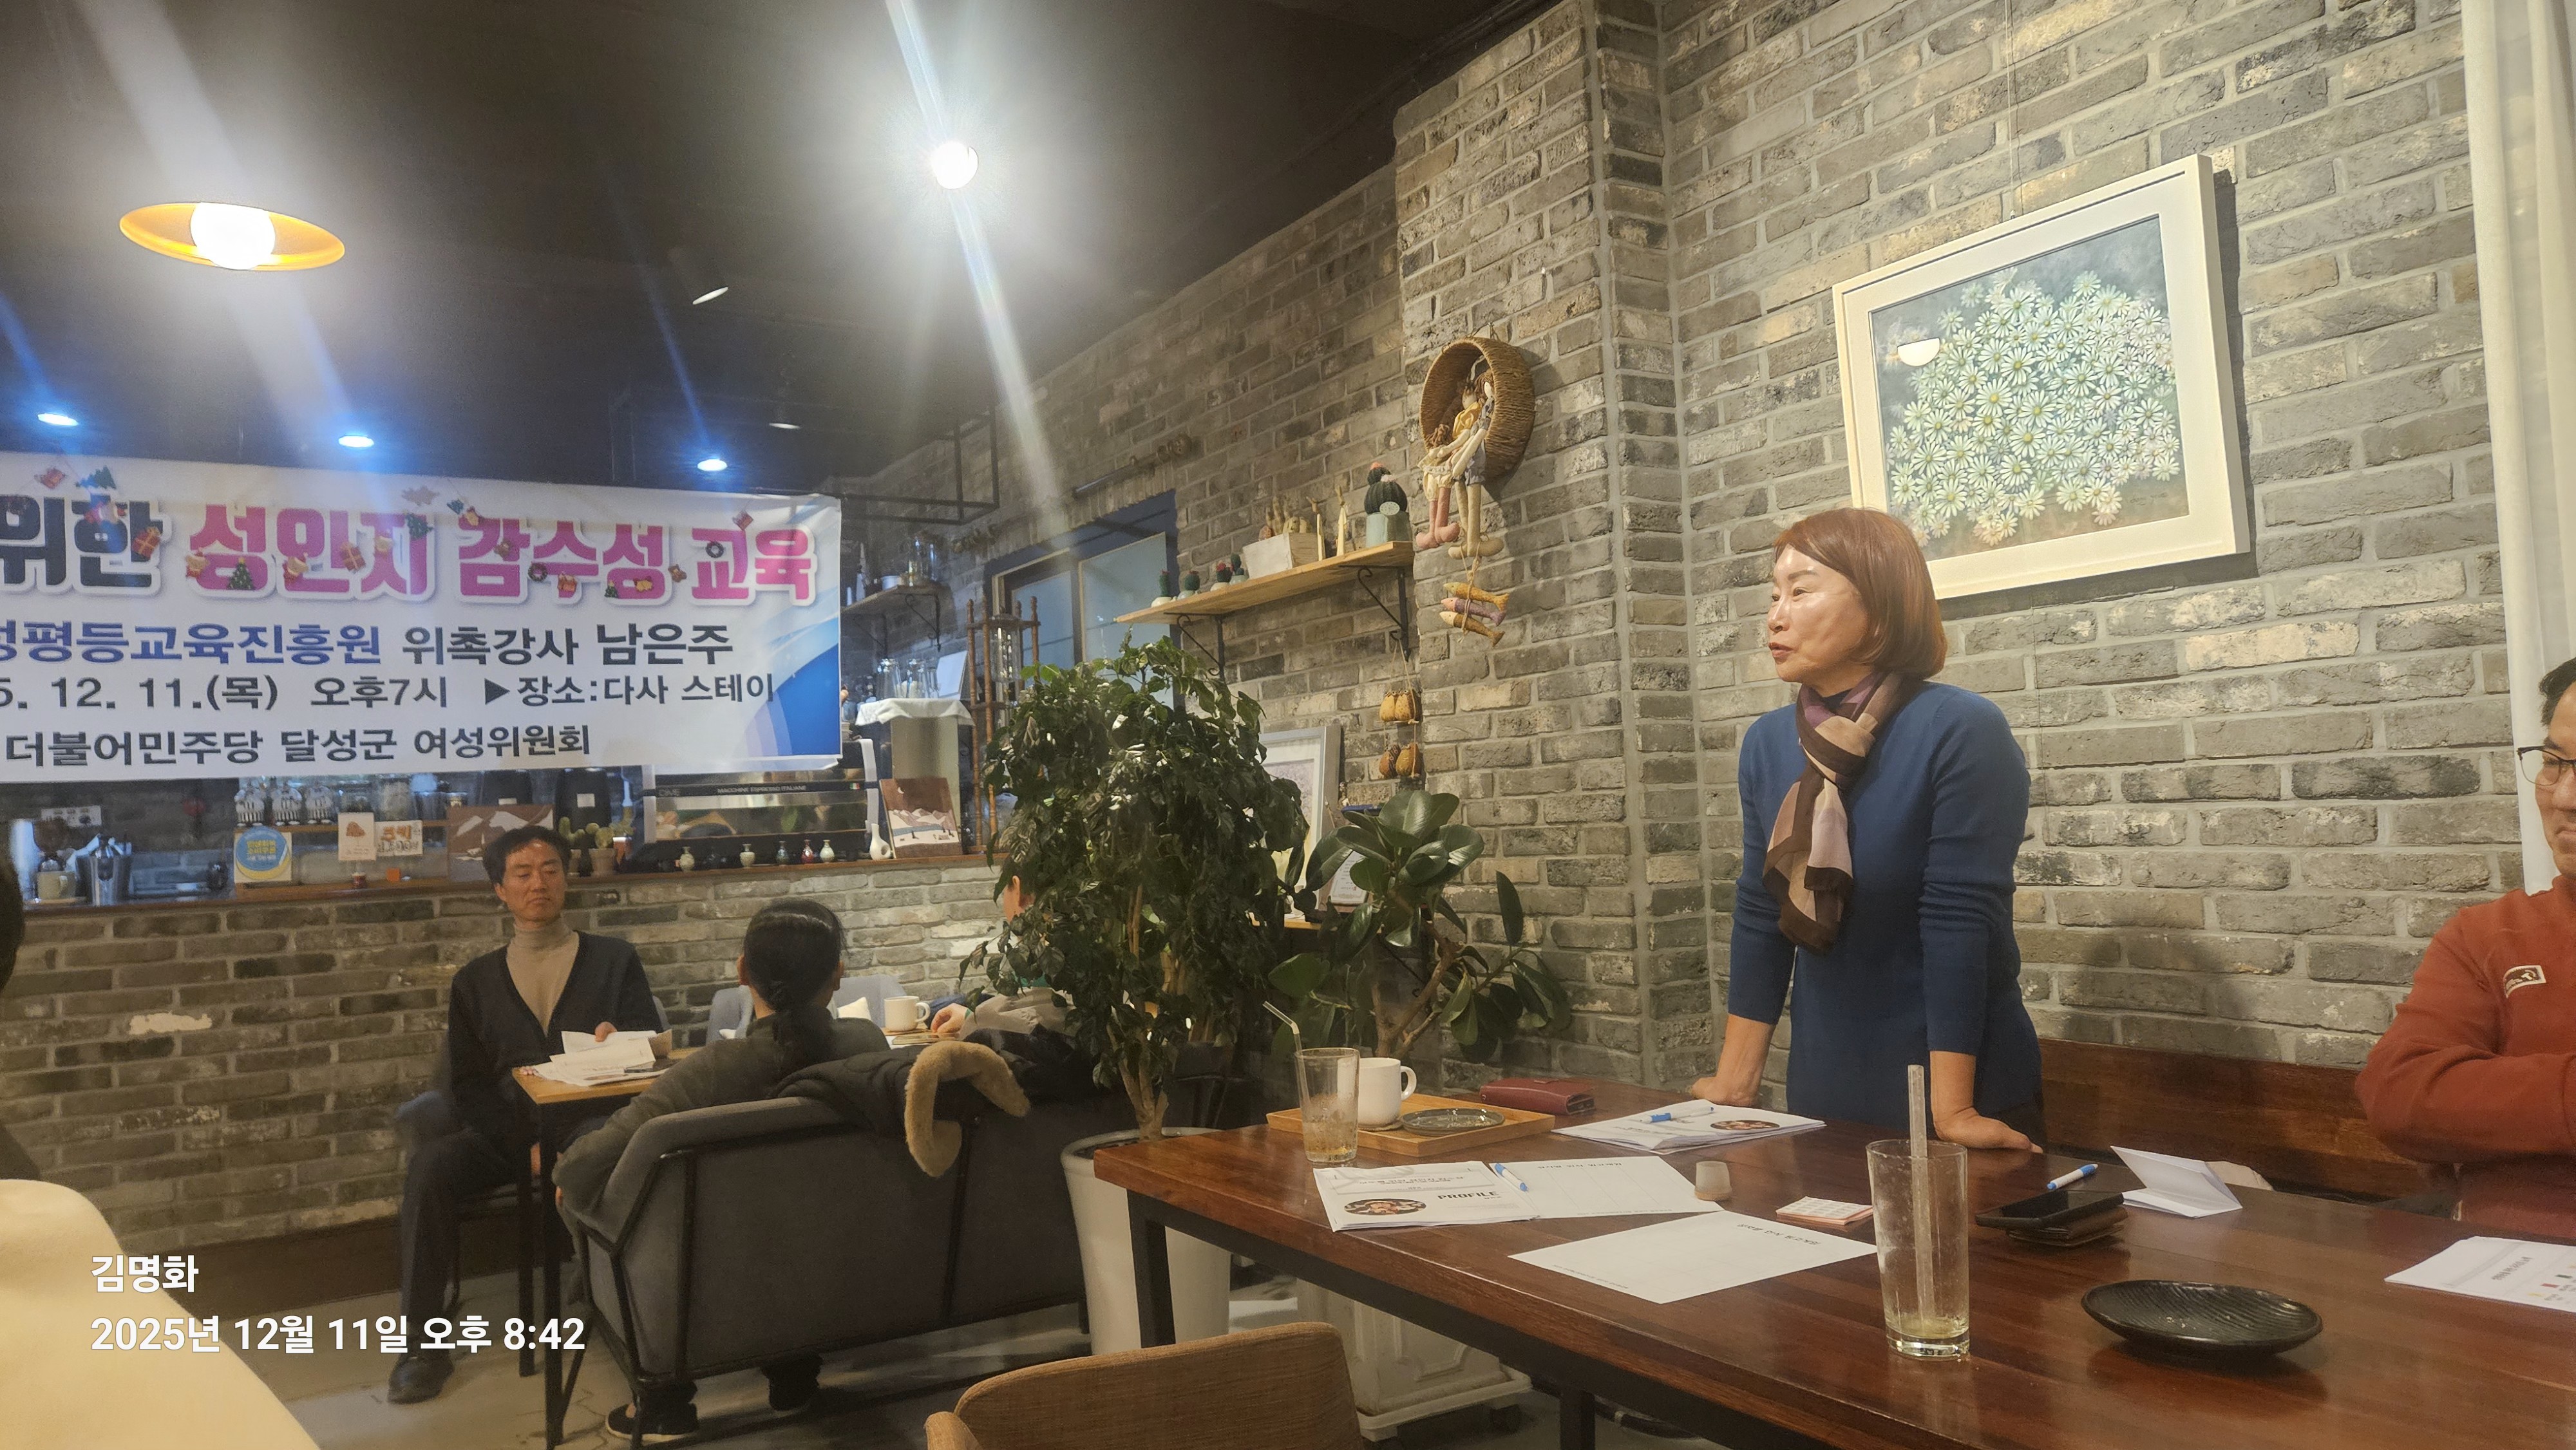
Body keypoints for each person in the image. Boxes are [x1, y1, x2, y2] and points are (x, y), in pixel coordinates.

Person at [1692, 508, 2043, 1149]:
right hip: (1826, 1081)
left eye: (1801, 591)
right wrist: (1734, 1080)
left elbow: (1958, 920)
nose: (1775, 617)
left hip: (1960, 1086)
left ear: (1879, 611)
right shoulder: (1768, 743)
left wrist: (1954, 1112)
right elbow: (1760, 909)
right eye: (1774, 595)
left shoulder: (1959, 729)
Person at [554, 898, 886, 1438]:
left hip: (706, 1290)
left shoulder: (711, 1072)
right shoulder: (868, 1048)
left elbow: (581, 1169)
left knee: (597, 1195)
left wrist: (567, 1177)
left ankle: (664, 1401)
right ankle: (793, 1375)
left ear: (742, 971)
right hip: (832, 1270)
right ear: (838, 975)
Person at [388, 825, 663, 1406]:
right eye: (523, 873)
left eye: (550, 870)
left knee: (600, 1152)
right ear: (500, 889)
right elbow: (468, 1085)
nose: (539, 883)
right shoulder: (474, 982)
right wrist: (526, 1148)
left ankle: (608, 1306)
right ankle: (420, 1345)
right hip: (509, 1133)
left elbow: (648, 1050)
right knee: (431, 1168)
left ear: (566, 879)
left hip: (592, 1122)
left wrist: (623, 1039)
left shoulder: (615, 960)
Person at [2358, 655, 2576, 1238]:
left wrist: (2494, 1110)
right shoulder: (2487, 935)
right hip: (2498, 1265)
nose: (2564, 797)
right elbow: (2399, 1096)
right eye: (2553, 763)